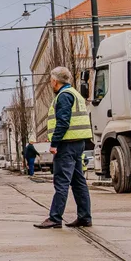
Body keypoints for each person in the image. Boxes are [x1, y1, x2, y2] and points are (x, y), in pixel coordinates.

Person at [34, 66, 93, 229]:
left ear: (54, 81)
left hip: (66, 145)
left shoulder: (63, 96)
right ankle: (85, 217)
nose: (50, 84)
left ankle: (55, 217)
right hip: (77, 143)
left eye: (50, 81)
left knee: (61, 182)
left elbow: (63, 122)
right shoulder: (75, 93)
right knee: (78, 181)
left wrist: (54, 143)